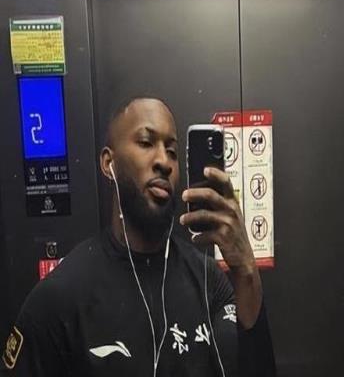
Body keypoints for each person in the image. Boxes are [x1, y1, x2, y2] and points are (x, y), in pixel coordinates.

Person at [1, 97, 275, 377]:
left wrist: (246, 269)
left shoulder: (208, 281)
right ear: (109, 163)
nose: (163, 161)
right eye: (146, 143)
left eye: (172, 151)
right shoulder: (59, 298)